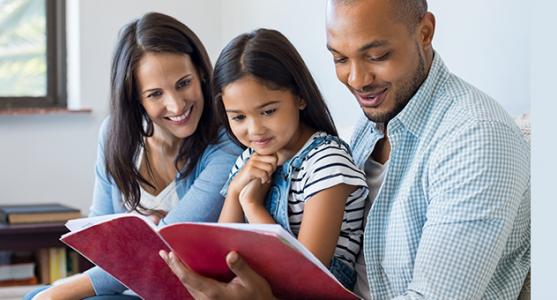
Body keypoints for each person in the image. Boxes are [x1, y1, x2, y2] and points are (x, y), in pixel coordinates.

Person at [161, 0, 530, 299]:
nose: (356, 80)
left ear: (425, 32)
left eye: (377, 55)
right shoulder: (369, 127)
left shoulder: (476, 138)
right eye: (340, 58)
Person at [28, 12, 241, 300]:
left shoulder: (226, 148)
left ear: (201, 74)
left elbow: (162, 250)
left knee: (46, 297)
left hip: (182, 292)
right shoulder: (115, 135)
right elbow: (100, 235)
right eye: (155, 94)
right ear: (135, 97)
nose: (176, 104)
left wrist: (59, 293)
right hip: (125, 285)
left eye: (183, 83)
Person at [206, 28, 367, 289]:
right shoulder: (248, 160)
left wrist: (251, 205)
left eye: (268, 111)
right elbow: (221, 258)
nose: (255, 129)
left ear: (300, 97)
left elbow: (305, 273)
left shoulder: (326, 162)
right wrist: (236, 188)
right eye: (238, 117)